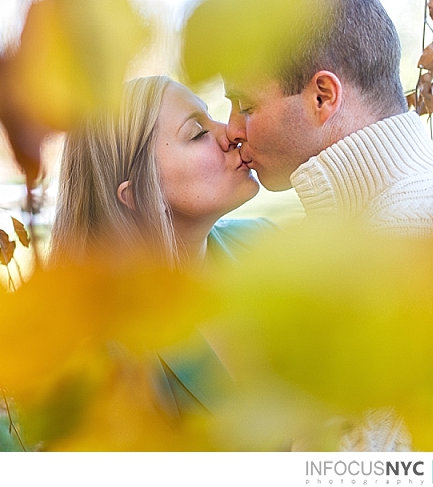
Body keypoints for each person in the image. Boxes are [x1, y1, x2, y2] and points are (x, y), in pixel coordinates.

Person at [183, 0, 433, 234]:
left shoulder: (416, 236)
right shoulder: (365, 223)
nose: (233, 130)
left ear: (322, 97)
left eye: (247, 106)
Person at [50, 75, 271, 417]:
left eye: (210, 116)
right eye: (197, 133)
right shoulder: (104, 354)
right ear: (139, 194)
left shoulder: (266, 245)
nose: (228, 132)